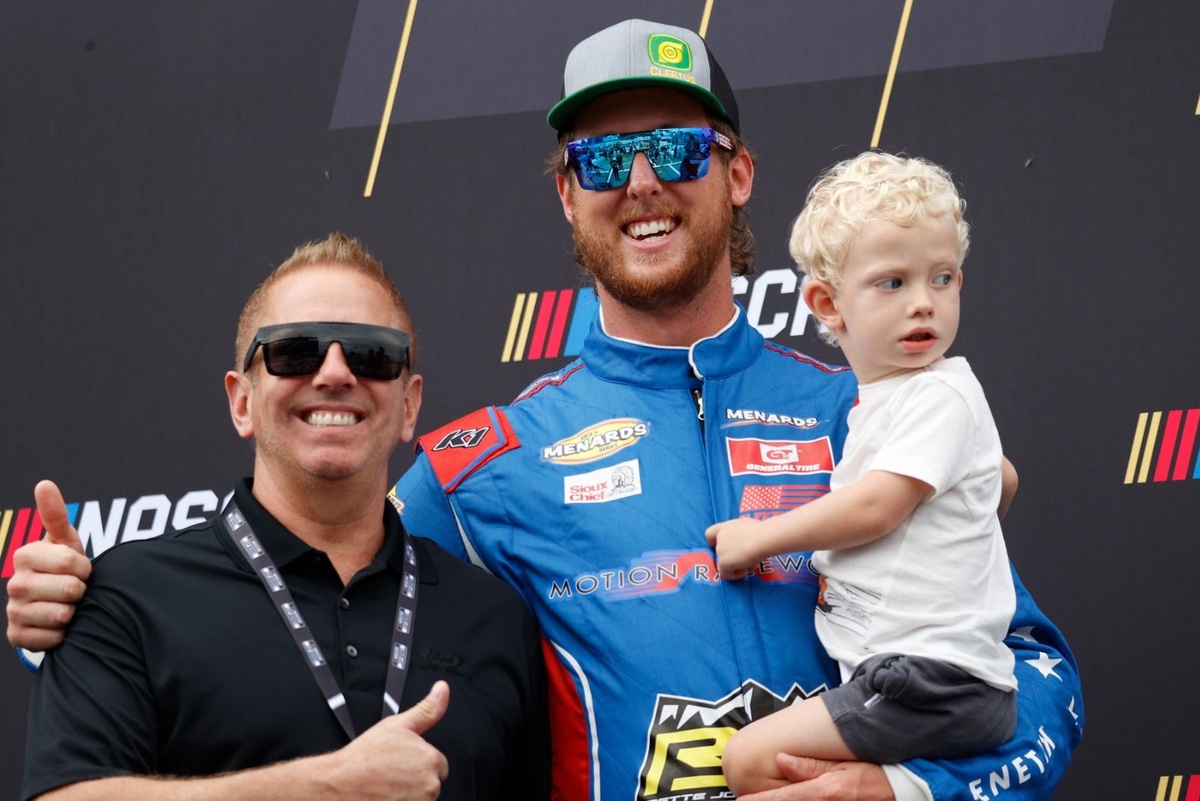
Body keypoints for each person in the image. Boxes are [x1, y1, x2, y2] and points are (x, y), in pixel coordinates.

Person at [8, 19, 1083, 801]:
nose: (641, 182)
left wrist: (903, 790)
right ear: (568, 194)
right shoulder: (487, 466)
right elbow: (299, 595)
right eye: (603, 158)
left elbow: (1037, 676)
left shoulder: (873, 410)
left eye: (677, 148)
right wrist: (75, 617)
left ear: (739, 173)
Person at [16, 234, 549, 801]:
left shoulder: (493, 618)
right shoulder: (126, 597)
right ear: (241, 401)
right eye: (296, 351)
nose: (335, 373)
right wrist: (328, 786)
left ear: (409, 405)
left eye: (371, 354)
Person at [705, 152, 1019, 796]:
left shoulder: (939, 393)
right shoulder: (891, 401)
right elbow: (1002, 480)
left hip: (928, 677)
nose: (923, 304)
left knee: (747, 762)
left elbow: (876, 507)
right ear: (827, 303)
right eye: (892, 283)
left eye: (942, 279)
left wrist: (758, 538)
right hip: (923, 674)